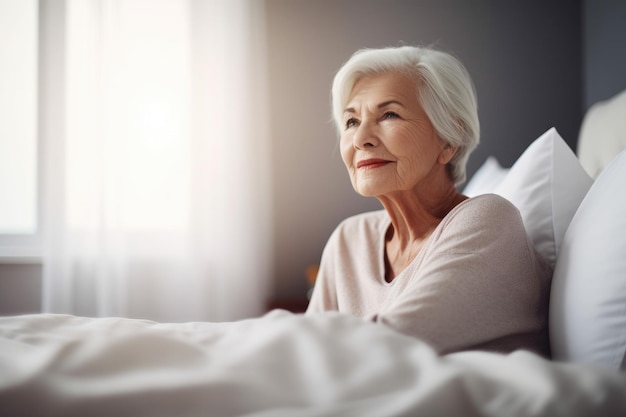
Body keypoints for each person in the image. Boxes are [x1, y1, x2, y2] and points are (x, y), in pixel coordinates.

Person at [306, 45, 552, 357]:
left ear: (449, 139)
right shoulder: (349, 239)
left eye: (389, 114)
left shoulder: (488, 221)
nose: (360, 138)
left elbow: (392, 344)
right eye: (351, 121)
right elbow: (304, 349)